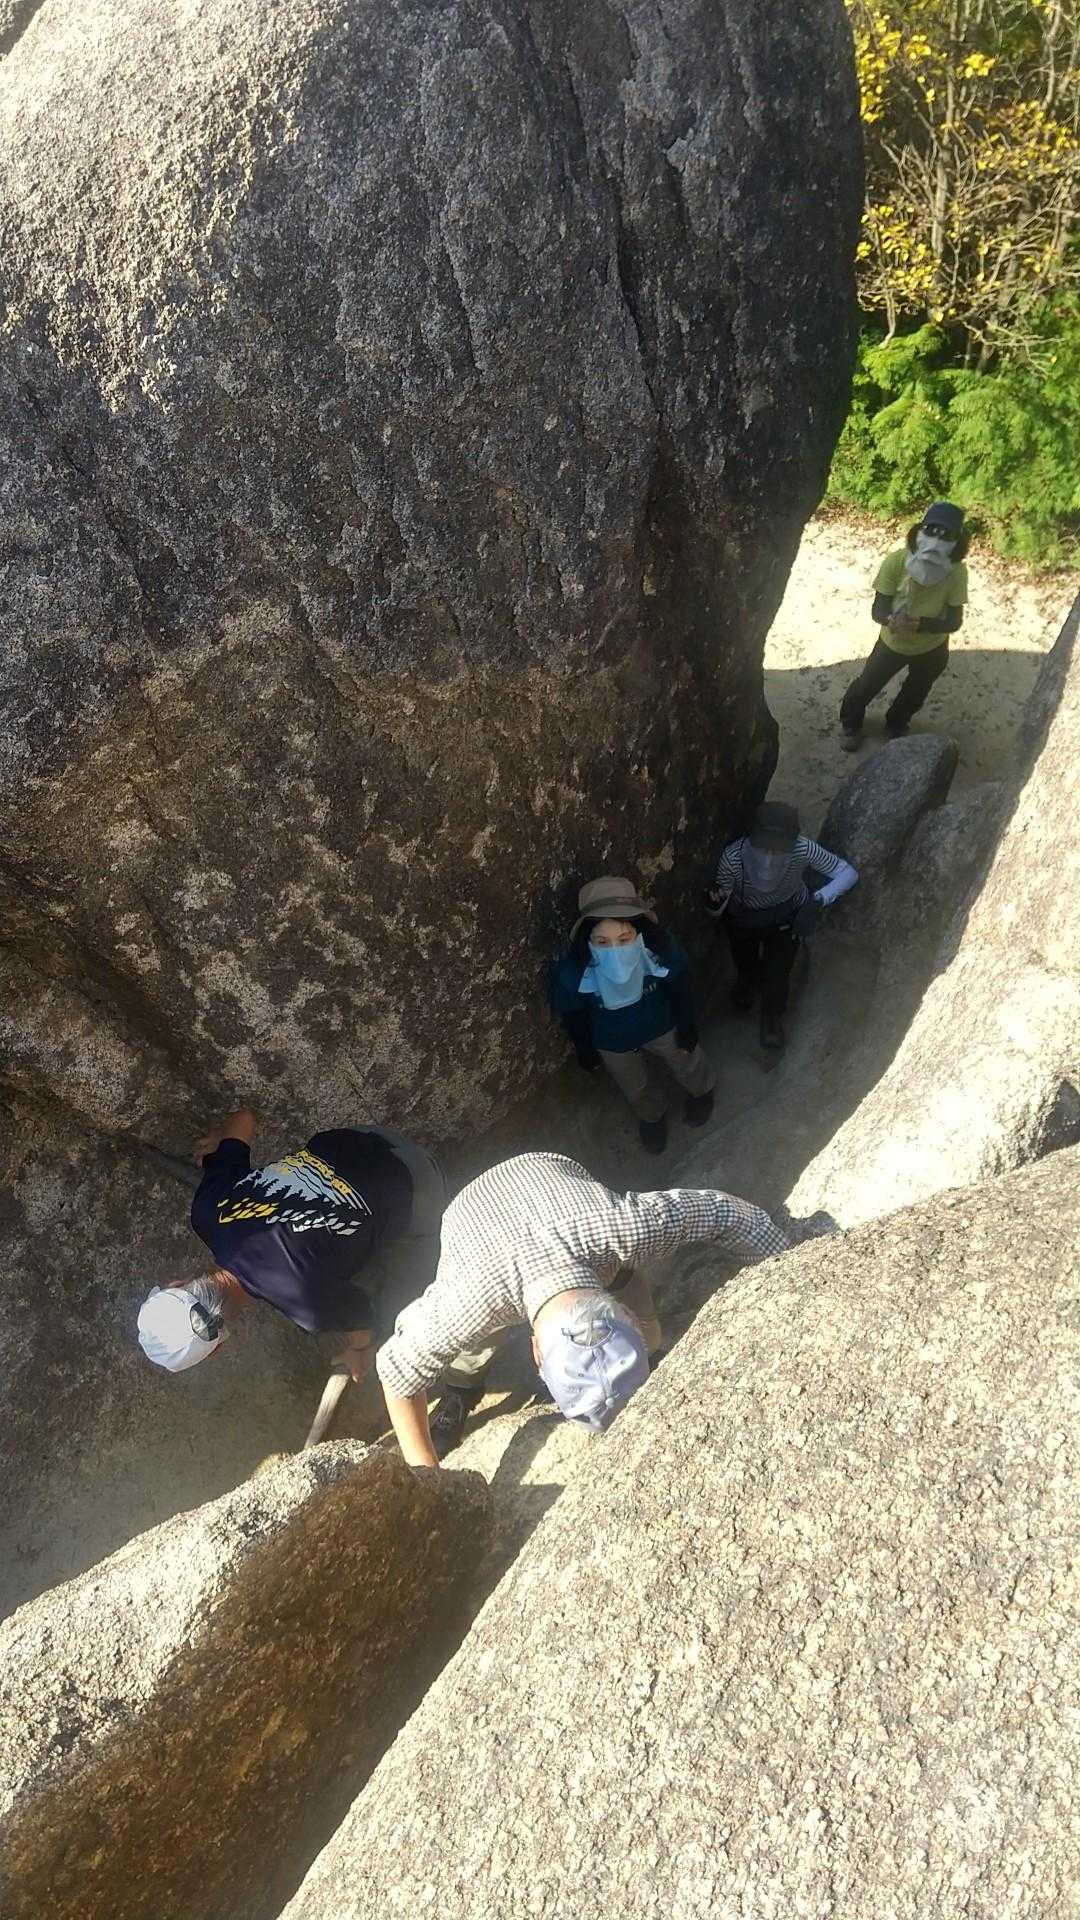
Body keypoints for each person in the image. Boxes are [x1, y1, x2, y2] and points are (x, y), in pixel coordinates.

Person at [375, 1149, 790, 1465]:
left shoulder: (625, 1229)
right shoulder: (468, 1302)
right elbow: (395, 1370)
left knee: (616, 1273)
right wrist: (425, 1472)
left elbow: (724, 1213)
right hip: (477, 1213)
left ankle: (643, 1348)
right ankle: (462, 1391)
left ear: (537, 1355)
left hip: (557, 1199)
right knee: (475, 1346)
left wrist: (794, 1272)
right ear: (536, 1353)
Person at [135, 1109, 502, 1427]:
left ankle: (463, 1376)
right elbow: (244, 1119)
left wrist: (359, 1351)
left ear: (219, 1347)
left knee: (419, 1294)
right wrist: (220, 1141)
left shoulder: (308, 1306)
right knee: (339, 1255)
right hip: (366, 1138)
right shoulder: (207, 1208)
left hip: (419, 1182)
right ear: (176, 1282)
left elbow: (362, 1322)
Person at [551, 876, 717, 1156]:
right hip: (612, 1040)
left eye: (624, 939)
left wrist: (687, 1024)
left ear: (639, 933)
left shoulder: (658, 951)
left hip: (661, 1024)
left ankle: (702, 1091)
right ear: (587, 940)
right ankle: (652, 1117)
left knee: (686, 1059)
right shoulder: (576, 971)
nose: (614, 949)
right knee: (635, 1084)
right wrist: (584, 1047)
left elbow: (679, 983)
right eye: (602, 941)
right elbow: (572, 1011)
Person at [706, 801, 857, 1052]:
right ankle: (747, 981)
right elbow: (720, 903)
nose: (768, 859)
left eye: (778, 850)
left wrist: (817, 901)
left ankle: (772, 1016)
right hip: (745, 917)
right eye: (763, 847)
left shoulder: (802, 849)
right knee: (744, 957)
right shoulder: (733, 857)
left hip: (787, 915)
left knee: (778, 971)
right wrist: (714, 904)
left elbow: (847, 873)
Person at [839, 501, 970, 750]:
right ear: (919, 531)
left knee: (916, 692)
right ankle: (850, 724)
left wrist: (921, 625)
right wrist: (891, 621)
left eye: (946, 534)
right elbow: (878, 610)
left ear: (957, 541)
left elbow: (954, 621)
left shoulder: (957, 573)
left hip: (932, 648)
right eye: (931, 530)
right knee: (867, 685)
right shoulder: (896, 562)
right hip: (893, 643)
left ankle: (897, 724)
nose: (936, 540)